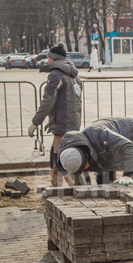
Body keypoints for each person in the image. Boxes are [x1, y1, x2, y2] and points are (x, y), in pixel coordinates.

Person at [29, 44, 83, 187]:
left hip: (63, 121)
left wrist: (36, 122)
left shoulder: (55, 75)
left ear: (53, 59)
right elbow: (71, 100)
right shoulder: (74, 76)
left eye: (48, 58)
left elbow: (48, 101)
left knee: (59, 154)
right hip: (73, 119)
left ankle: (72, 186)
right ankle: (56, 184)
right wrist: (52, 118)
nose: (47, 61)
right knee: (59, 151)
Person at [57, 117, 133, 184]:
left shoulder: (99, 135)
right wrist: (81, 190)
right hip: (107, 147)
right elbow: (77, 174)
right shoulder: (68, 153)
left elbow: (130, 147)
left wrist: (127, 175)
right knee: (103, 174)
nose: (85, 170)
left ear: (87, 156)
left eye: (85, 166)